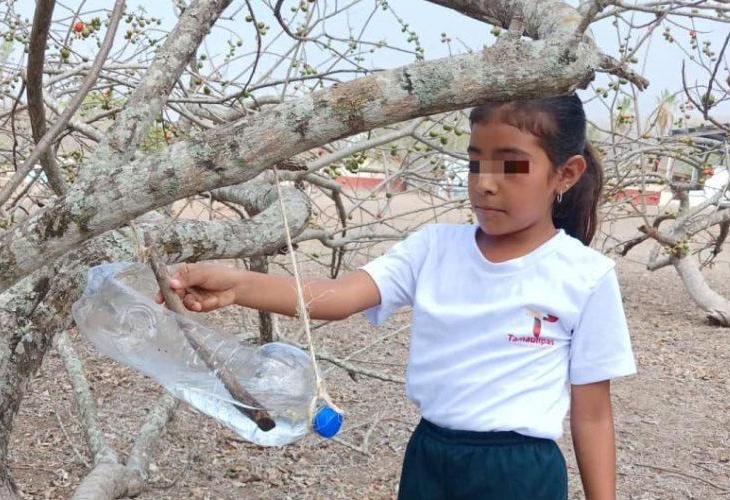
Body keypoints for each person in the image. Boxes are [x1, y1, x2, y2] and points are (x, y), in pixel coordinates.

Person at [156, 94, 637, 500]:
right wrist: (236, 285)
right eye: (475, 163)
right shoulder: (432, 249)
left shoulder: (585, 277)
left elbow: (592, 414)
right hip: (430, 455)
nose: (485, 182)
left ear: (566, 174)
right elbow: (337, 295)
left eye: (511, 166)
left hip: (519, 472)